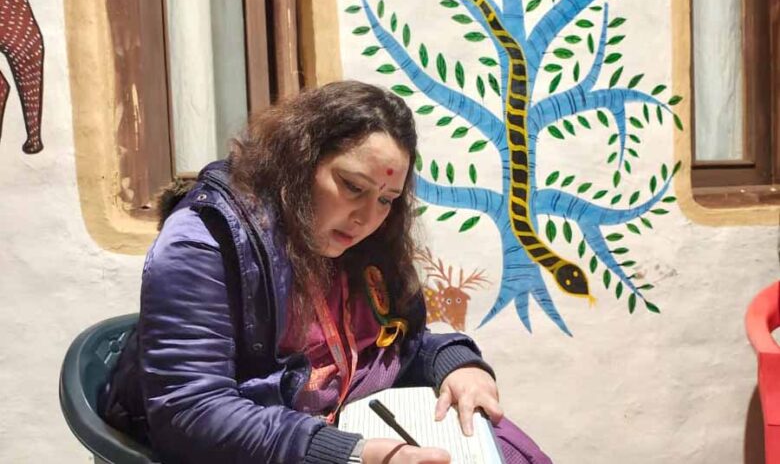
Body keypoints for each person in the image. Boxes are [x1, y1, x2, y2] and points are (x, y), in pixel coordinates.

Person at [100, 81, 552, 464]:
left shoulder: (355, 245)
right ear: (299, 159)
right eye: (352, 186)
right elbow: (190, 412)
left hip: (358, 425)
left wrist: (456, 364)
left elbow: (398, 346)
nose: (367, 217)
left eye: (386, 199)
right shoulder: (206, 241)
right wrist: (350, 453)